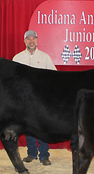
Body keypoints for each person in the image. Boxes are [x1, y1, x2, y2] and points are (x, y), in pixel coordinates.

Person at [12, 30, 57, 165]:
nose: (31, 41)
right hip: (24, 100)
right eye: (28, 39)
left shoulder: (45, 57)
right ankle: (31, 153)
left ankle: (44, 155)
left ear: (37, 40)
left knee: (43, 126)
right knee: (28, 126)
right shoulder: (17, 58)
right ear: (24, 41)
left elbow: (54, 76)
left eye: (33, 38)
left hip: (42, 99)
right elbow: (13, 79)